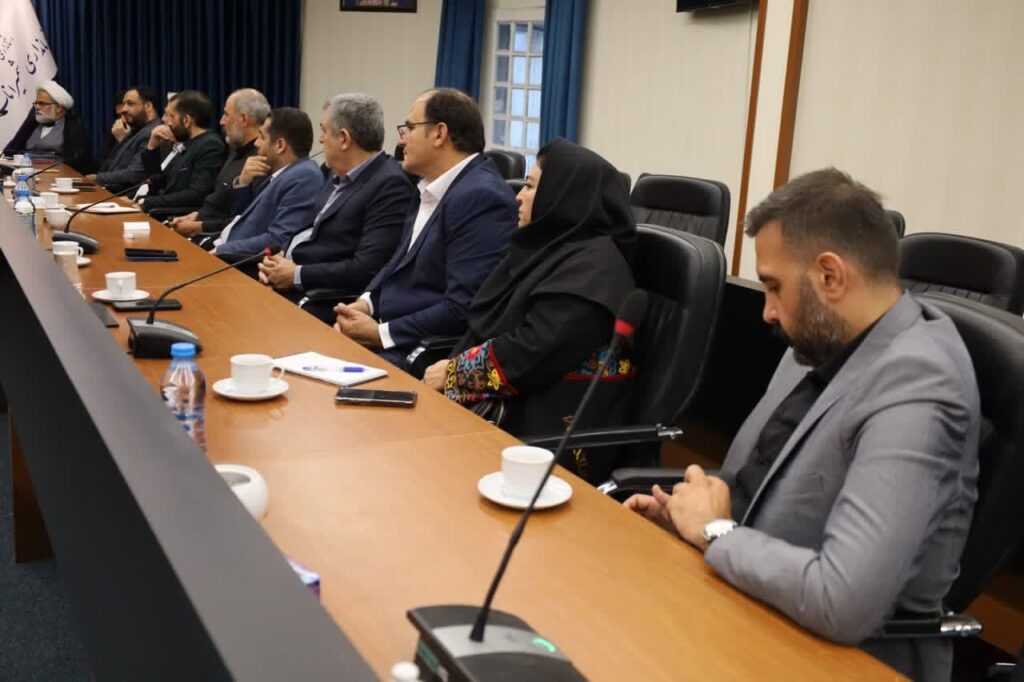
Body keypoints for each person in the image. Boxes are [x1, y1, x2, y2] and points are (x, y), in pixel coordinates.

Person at [624, 168, 980, 682]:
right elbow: (756, 484)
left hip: (837, 659)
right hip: (750, 606)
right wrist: (684, 516)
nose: (766, 311)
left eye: (773, 286)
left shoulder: (921, 383)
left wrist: (714, 532)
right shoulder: (820, 339)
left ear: (830, 276)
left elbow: (843, 600)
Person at [421, 139, 636, 484]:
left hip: (554, 433)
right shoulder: (549, 249)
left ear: (563, 196)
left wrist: (454, 375)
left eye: (531, 187)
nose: (518, 196)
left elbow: (533, 351)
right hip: (513, 406)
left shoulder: (596, 270)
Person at [333, 88, 517, 370]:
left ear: (439, 134)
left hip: (423, 352)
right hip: (394, 333)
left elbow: (462, 307)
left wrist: (381, 333)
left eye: (409, 128)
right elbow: (398, 264)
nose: (400, 140)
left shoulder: (482, 197)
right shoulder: (429, 185)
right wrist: (366, 303)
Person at [258, 93, 413, 298]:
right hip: (290, 280)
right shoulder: (335, 172)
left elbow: (366, 268)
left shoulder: (390, 185)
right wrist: (279, 259)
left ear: (344, 139)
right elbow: (309, 231)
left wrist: (296, 275)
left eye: (324, 130)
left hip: (322, 297)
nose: (320, 138)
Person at [211, 107, 323, 257]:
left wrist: (222, 250)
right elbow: (243, 217)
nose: (256, 143)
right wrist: (243, 182)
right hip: (225, 245)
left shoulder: (304, 177)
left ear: (280, 145)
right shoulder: (283, 173)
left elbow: (278, 239)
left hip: (237, 260)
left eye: (262, 137)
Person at [168, 89, 270, 239]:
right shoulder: (235, 150)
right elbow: (220, 200)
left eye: (226, 114)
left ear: (243, 119)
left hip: (218, 238)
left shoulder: (260, 161)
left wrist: (200, 225)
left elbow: (244, 220)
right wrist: (197, 215)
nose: (222, 121)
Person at [138, 90, 226, 216]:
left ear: (186, 120)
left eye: (170, 116)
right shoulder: (186, 143)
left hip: (175, 217)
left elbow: (196, 194)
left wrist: (146, 203)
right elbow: (157, 182)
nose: (164, 120)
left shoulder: (210, 145)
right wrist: (152, 148)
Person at [5, 80, 95, 173]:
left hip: (59, 175)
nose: (37, 107)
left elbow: (80, 161)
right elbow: (10, 151)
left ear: (59, 108)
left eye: (42, 103)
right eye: (36, 103)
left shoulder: (73, 127)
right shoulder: (31, 124)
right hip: (26, 173)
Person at [87, 86, 161, 191]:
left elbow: (135, 174)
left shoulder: (153, 132)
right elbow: (111, 163)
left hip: (123, 195)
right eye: (124, 104)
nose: (124, 109)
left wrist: (98, 178)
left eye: (130, 104)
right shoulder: (136, 130)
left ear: (148, 106)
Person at [96, 89, 128, 165]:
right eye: (119, 115)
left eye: (125, 114)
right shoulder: (114, 126)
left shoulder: (145, 131)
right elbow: (101, 157)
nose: (122, 119)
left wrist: (123, 140)